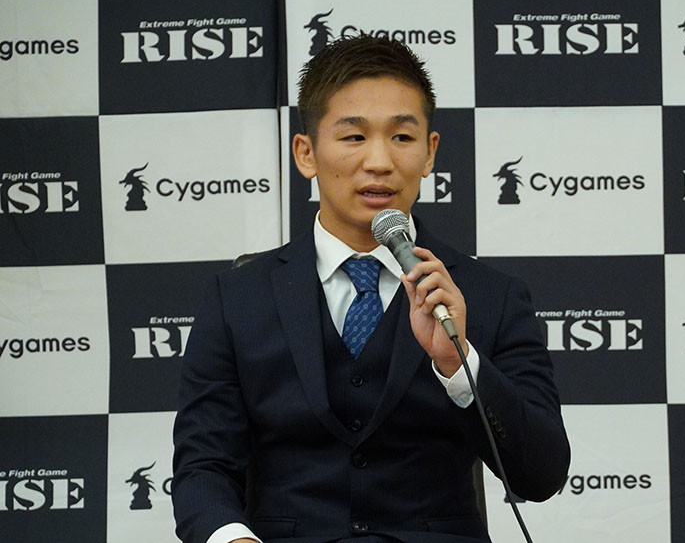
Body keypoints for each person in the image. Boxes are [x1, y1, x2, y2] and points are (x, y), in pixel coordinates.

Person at [172, 34, 570, 543]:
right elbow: (203, 467)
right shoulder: (237, 300)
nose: (380, 161)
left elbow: (542, 474)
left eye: (402, 137)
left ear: (429, 153)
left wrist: (460, 363)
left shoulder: (490, 295)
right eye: (354, 137)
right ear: (306, 153)